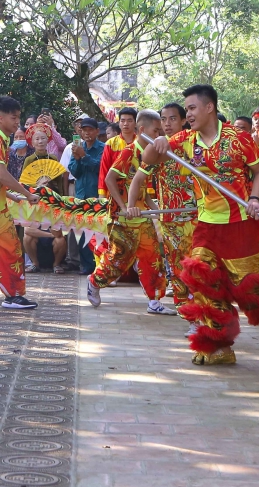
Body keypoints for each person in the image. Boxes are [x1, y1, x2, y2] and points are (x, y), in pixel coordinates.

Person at [149, 85, 259, 366]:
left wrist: (254, 198)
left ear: (209, 107)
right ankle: (218, 346)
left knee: (250, 289)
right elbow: (148, 161)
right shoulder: (185, 140)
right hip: (205, 225)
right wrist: (157, 147)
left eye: (191, 108)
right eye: (186, 109)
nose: (187, 114)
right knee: (203, 283)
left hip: (239, 223)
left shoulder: (238, 139)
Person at [89, 110, 170, 315]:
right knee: (118, 262)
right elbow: (109, 179)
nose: (158, 133)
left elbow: (143, 192)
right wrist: (125, 208)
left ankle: (155, 301)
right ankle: (94, 282)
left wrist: (156, 210)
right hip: (122, 219)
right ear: (142, 130)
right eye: (155, 130)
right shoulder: (128, 152)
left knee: (152, 258)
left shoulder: (149, 155)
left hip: (142, 219)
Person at [131, 103, 199, 331]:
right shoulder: (158, 150)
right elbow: (138, 180)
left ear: (183, 121)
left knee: (200, 270)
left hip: (200, 219)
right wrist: (131, 206)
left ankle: (206, 315)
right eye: (164, 120)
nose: (167, 124)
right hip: (171, 222)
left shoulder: (196, 144)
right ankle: (191, 319)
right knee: (179, 272)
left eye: (173, 119)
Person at [0, 96, 38, 309]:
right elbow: (2, 176)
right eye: (14, 118)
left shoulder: (3, 141)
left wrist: (13, 196)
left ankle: (14, 295)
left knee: (12, 251)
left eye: (19, 118)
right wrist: (27, 194)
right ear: (0, 118)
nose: (17, 122)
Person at [18, 123, 69, 272]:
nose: (40, 141)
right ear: (32, 143)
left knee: (60, 238)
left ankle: (56, 264)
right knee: (27, 236)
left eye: (43, 138)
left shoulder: (53, 158)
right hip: (35, 202)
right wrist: (37, 184)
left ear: (48, 141)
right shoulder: (29, 160)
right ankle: (34, 263)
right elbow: (24, 183)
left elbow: (59, 182)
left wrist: (52, 187)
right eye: (37, 139)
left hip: (51, 202)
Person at [67, 117, 105, 274]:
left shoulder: (103, 148)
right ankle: (86, 265)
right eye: (84, 130)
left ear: (97, 131)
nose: (87, 133)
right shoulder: (78, 148)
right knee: (81, 232)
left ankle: (99, 265)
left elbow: (100, 167)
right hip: (81, 195)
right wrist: (77, 159)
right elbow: (74, 171)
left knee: (98, 231)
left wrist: (84, 156)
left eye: (90, 130)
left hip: (97, 195)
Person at [98, 107, 137, 198]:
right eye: (122, 121)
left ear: (135, 123)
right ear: (119, 123)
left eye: (129, 121)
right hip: (114, 191)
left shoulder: (141, 142)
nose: (125, 124)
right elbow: (104, 169)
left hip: (137, 191)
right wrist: (102, 195)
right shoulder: (110, 143)